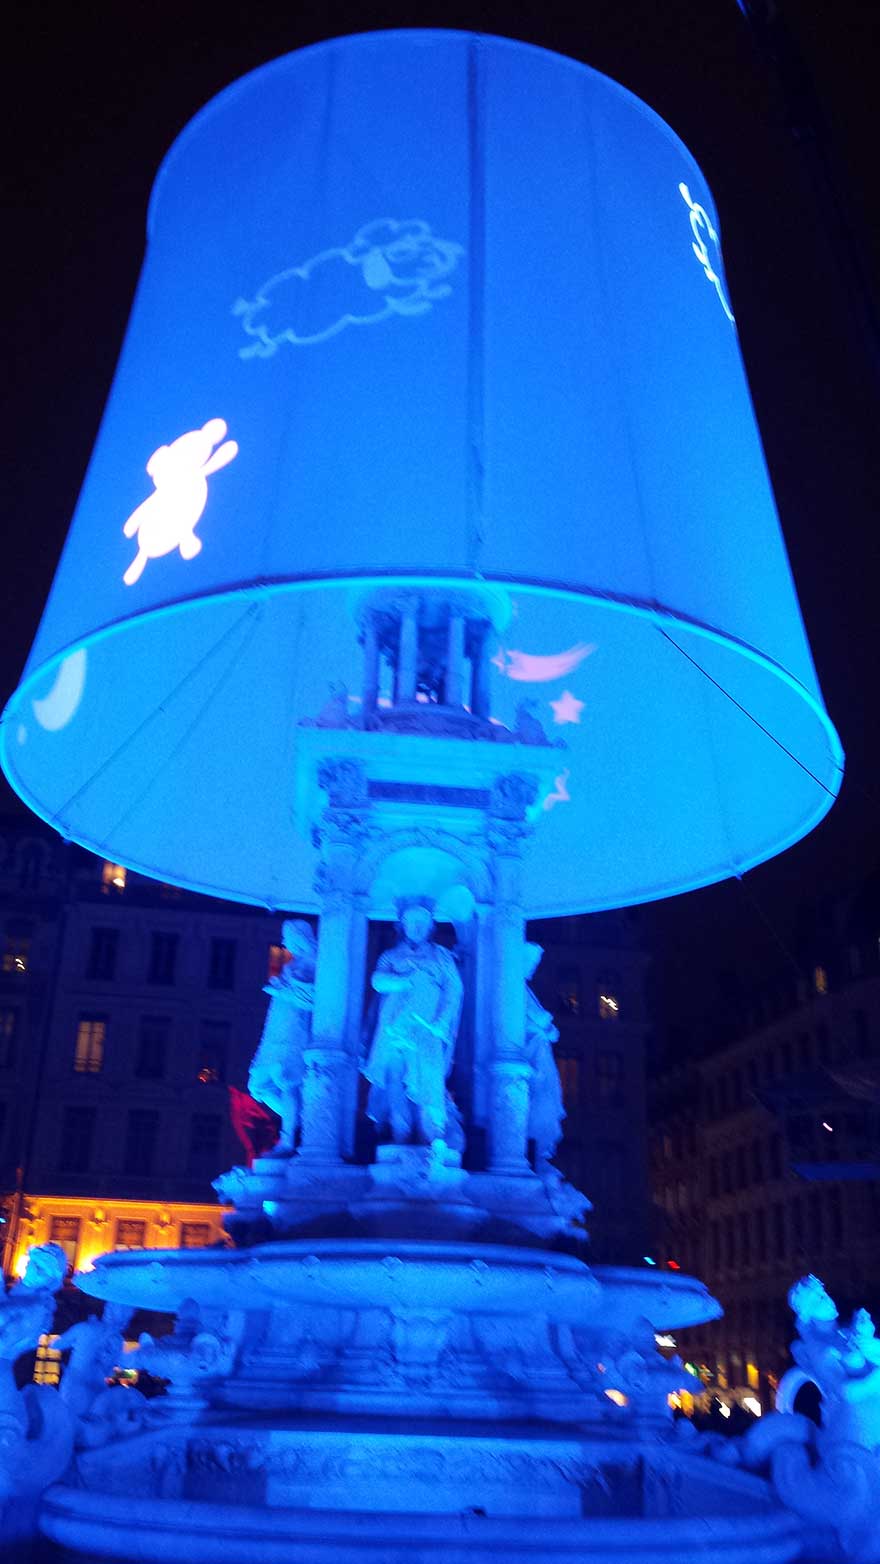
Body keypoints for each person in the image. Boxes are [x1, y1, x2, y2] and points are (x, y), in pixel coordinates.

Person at [363, 898, 462, 1150]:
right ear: (403, 926)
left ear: (430, 927)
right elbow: (377, 980)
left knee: (428, 1080)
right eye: (411, 922)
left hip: (428, 1029)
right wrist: (404, 980)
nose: (416, 927)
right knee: (394, 1078)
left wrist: (442, 1021)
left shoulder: (441, 956)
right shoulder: (391, 955)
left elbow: (454, 991)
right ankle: (400, 1132)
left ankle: (429, 1135)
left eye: (422, 923)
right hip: (394, 1028)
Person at [247, 920, 316, 1154]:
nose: (285, 942)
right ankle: (302, 1120)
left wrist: (283, 991)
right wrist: (280, 988)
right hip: (275, 1030)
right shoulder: (289, 962)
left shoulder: (315, 962)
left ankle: (288, 1138)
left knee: (286, 1081)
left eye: (289, 937)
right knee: (258, 1086)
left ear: (300, 937)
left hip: (294, 1032)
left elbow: (313, 1000)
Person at [523, 942, 566, 1166]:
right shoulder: (516, 990)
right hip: (533, 1057)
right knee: (541, 1104)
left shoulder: (523, 990)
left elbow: (542, 1023)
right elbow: (538, 1021)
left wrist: (547, 1028)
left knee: (544, 1102)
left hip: (538, 1057)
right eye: (530, 962)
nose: (533, 967)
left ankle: (541, 1153)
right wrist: (546, 1028)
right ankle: (539, 1153)